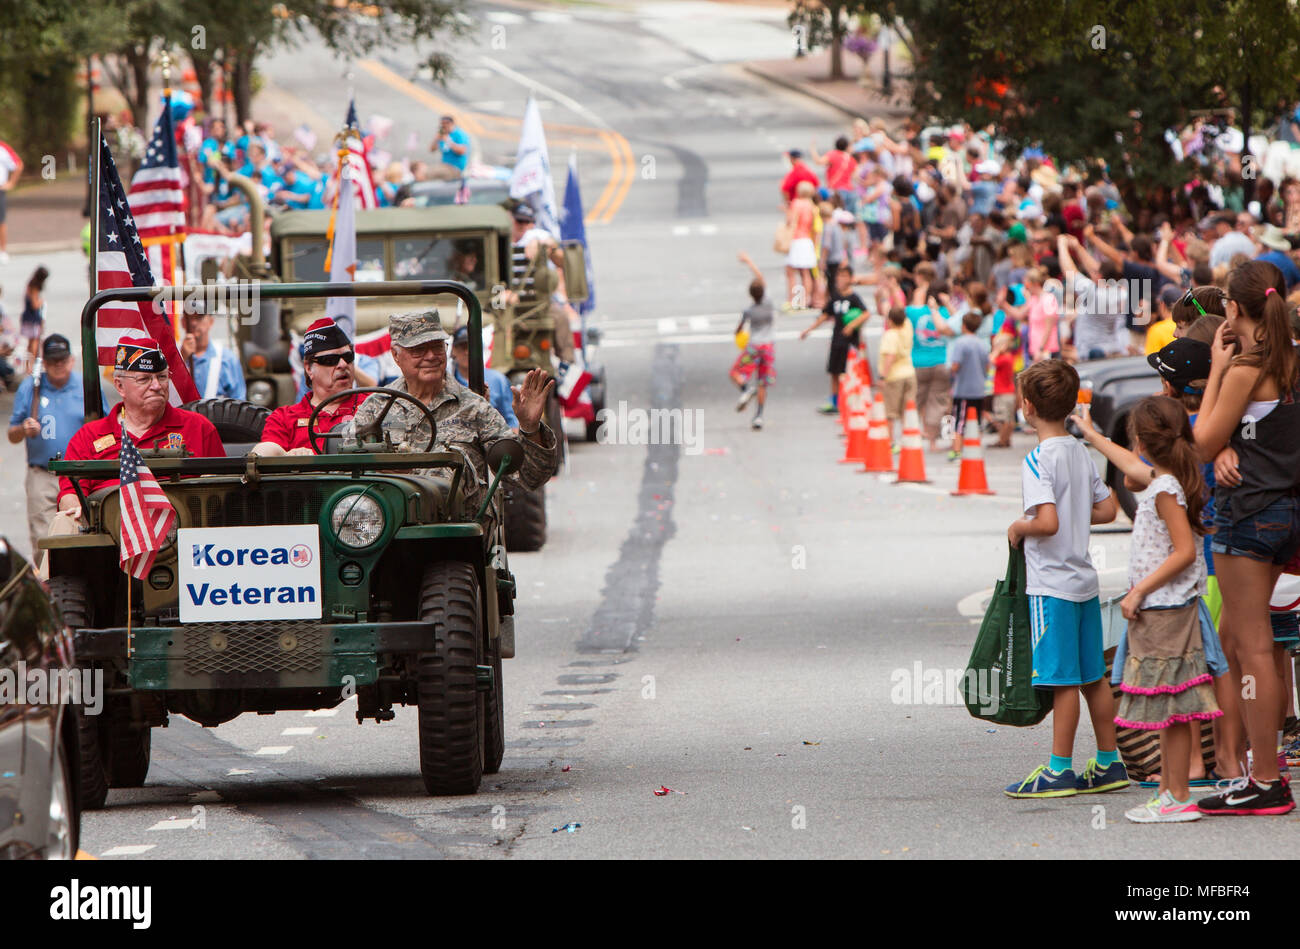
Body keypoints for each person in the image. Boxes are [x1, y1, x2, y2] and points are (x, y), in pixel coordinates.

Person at [1192, 260, 1300, 815]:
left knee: (1252, 649)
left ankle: (1265, 777)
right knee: (1244, 639)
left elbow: (1202, 443)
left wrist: (1216, 369)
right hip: (1287, 514)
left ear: (1233, 310)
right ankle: (1256, 768)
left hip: (1248, 517)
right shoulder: (1293, 360)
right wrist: (1243, 440)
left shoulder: (1245, 368)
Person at [1004, 359, 1125, 799]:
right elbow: (1108, 510)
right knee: (1094, 675)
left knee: (1063, 681)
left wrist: (1020, 526)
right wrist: (1076, 510)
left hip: (1051, 585)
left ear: (1027, 406)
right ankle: (1109, 762)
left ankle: (1059, 770)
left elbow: (1048, 522)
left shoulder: (1037, 459)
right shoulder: (1078, 451)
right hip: (1084, 583)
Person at [350, 310, 557, 510]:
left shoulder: (474, 408)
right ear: (396, 355)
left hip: (459, 532)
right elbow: (345, 472)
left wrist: (530, 428)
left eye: (437, 347)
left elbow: (528, 477)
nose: (431, 356)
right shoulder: (376, 408)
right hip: (387, 529)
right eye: (419, 350)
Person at [56, 338, 225, 515]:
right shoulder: (89, 436)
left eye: (162, 377)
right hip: (110, 534)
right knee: (63, 523)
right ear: (120, 386)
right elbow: (70, 493)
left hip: (187, 533)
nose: (156, 386)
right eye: (144, 379)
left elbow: (223, 488)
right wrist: (73, 507)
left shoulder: (198, 428)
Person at [6, 335, 104, 563]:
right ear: (45, 362)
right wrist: (24, 428)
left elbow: (107, 423)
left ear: (71, 360)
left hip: (80, 473)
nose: (58, 366)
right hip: (43, 473)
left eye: (62, 360)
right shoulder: (31, 387)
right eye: (52, 361)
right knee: (44, 537)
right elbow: (12, 434)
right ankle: (49, 585)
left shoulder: (86, 385)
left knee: (82, 531)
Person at [254, 318, 368, 456]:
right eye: (330, 360)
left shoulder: (375, 406)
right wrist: (288, 456)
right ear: (309, 368)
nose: (343, 364)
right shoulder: (284, 419)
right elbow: (263, 454)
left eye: (348, 356)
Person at [800, 265, 866, 414]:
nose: (840, 279)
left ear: (850, 278)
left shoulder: (854, 298)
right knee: (834, 372)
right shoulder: (835, 297)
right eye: (839, 276)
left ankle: (851, 399)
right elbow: (824, 315)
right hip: (837, 340)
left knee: (849, 372)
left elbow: (865, 313)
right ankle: (835, 401)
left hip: (850, 343)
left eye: (844, 276)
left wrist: (852, 325)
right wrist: (808, 330)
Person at [731, 251, 776, 430]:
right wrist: (750, 261)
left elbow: (739, 329)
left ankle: (745, 389)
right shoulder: (769, 303)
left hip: (753, 347)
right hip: (768, 347)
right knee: (762, 382)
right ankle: (758, 416)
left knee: (735, 372)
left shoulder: (749, 311)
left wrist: (737, 332)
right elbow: (760, 277)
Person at [449, 325, 518, 428]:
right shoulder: (445, 381)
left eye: (472, 346)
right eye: (462, 347)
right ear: (453, 350)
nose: (467, 352)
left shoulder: (497, 380)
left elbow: (511, 421)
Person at [947, 311, 988, 460]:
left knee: (959, 420)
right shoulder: (982, 343)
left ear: (964, 326)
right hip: (979, 388)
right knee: (975, 421)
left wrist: (951, 372)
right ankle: (974, 445)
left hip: (963, 388)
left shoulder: (961, 342)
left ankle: (956, 450)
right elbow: (986, 365)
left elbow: (955, 365)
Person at [182, 308, 246, 401]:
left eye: (199, 317)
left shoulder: (227, 359)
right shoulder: (174, 358)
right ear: (183, 322)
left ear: (211, 321)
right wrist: (181, 360)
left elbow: (239, 400)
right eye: (189, 318)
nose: (194, 323)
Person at [878, 306, 916, 451]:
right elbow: (903, 317)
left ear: (891, 320)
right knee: (907, 409)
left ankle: (891, 442)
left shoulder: (890, 335)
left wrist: (883, 376)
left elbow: (890, 356)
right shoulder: (907, 328)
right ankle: (907, 439)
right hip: (909, 373)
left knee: (891, 412)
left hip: (894, 377)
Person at [784, 181, 817, 310]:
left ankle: (793, 300)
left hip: (797, 239)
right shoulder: (811, 205)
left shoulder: (796, 204)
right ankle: (805, 299)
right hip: (807, 239)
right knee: (805, 273)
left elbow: (790, 221)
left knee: (791, 271)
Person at [988, 324, 1019, 448]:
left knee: (1003, 419)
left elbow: (990, 360)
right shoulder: (1009, 358)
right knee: (1009, 418)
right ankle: (1006, 439)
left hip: (1003, 392)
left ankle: (1003, 439)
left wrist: (996, 352)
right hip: (1008, 391)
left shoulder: (1004, 358)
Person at [0, 137, 22, 264]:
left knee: (1, 222)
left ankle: (2, 251)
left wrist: (11, 183)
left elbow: (18, 164)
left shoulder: (3, 148)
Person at [20, 266, 48, 363]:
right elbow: (35, 304)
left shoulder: (30, 284)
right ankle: (32, 364)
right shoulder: (34, 287)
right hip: (33, 318)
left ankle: (28, 364)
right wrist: (41, 301)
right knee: (35, 341)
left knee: (30, 343)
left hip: (27, 316)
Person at [430, 115, 469, 180]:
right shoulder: (442, 134)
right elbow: (432, 150)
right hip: (444, 166)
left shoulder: (459, 134)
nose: (444, 126)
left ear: (453, 124)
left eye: (447, 123)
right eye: (442, 124)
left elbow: (462, 151)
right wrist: (436, 139)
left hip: (456, 168)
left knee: (432, 174)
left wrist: (447, 140)